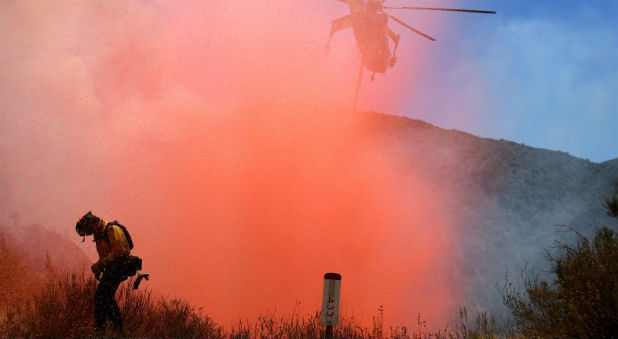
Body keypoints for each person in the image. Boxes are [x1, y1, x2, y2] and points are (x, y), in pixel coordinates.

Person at [75, 211, 131, 335]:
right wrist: (99, 267)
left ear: (93, 224)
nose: (89, 233)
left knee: (101, 297)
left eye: (88, 230)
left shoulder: (111, 230)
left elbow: (119, 251)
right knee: (106, 298)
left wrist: (100, 264)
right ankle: (116, 330)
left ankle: (100, 330)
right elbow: (106, 256)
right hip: (112, 268)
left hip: (119, 267)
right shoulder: (100, 235)